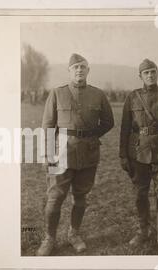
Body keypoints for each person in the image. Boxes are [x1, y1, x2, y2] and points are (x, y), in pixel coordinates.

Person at [37, 53, 114, 256]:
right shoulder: (57, 93)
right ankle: (49, 238)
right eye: (75, 68)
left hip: (88, 153)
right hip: (60, 153)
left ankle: (74, 234)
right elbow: (47, 125)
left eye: (83, 67)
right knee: (55, 198)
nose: (79, 70)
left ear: (88, 71)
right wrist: (46, 153)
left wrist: (91, 135)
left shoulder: (98, 95)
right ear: (69, 71)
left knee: (81, 197)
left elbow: (108, 122)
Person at [119, 58, 158, 255]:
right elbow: (124, 129)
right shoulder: (132, 98)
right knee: (140, 194)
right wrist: (123, 155)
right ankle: (143, 230)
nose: (150, 75)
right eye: (146, 73)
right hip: (138, 153)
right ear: (140, 76)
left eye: (153, 71)